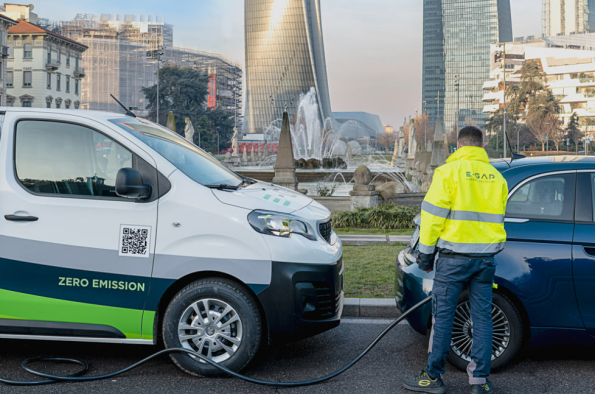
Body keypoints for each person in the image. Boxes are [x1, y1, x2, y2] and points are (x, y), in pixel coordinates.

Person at [402, 126, 508, 394]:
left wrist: (425, 255)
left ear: (458, 147)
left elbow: (432, 217)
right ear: (482, 147)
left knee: (444, 317)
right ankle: (479, 382)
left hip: (453, 260)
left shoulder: (448, 172)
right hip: (485, 260)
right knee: (482, 318)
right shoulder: (497, 178)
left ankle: (433, 378)